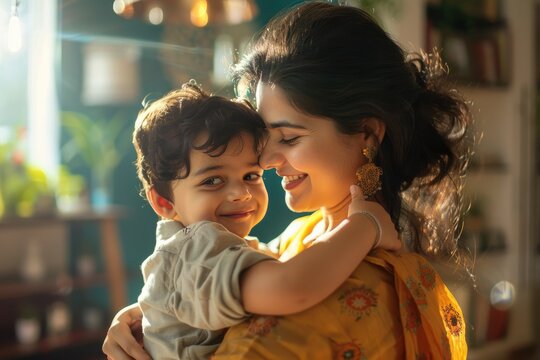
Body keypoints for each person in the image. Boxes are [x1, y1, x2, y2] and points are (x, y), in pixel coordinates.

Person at [103, 2, 472, 359]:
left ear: (368, 135)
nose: (264, 160)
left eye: (290, 138)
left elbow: (285, 287)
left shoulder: (362, 280)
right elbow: (215, 283)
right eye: (266, 139)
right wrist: (146, 315)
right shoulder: (297, 239)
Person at [125, 81, 400, 359]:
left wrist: (141, 311)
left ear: (367, 133)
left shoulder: (231, 251)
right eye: (212, 180)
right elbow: (290, 287)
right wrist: (366, 224)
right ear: (163, 202)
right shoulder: (197, 249)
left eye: (250, 176)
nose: (240, 193)